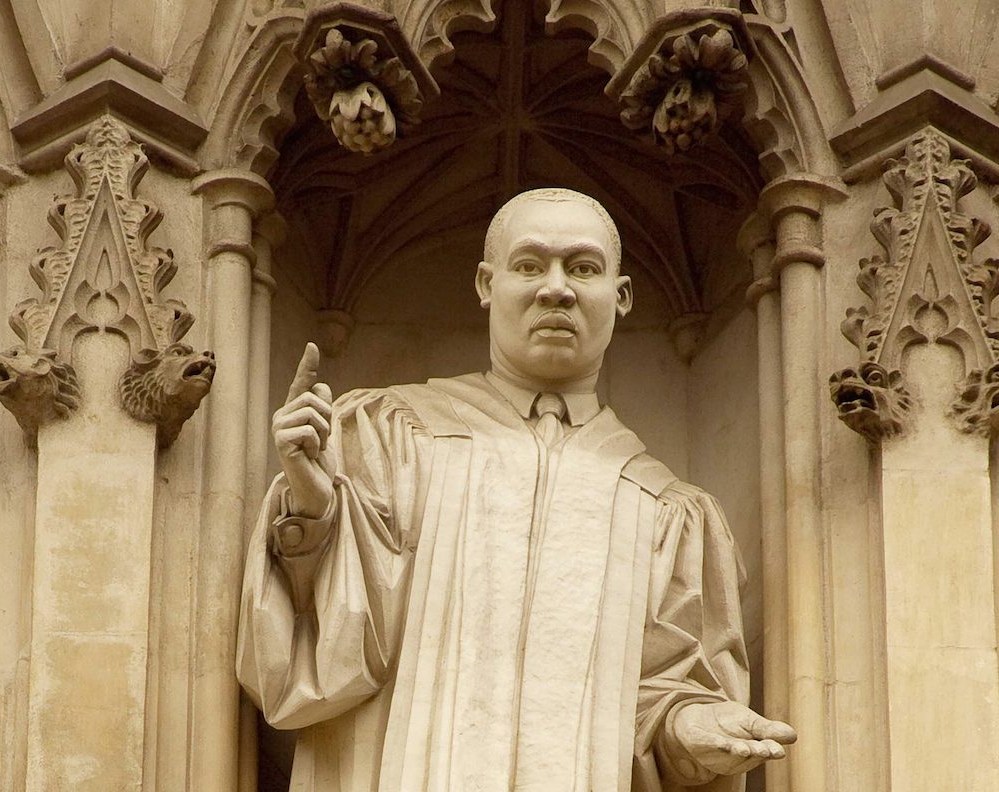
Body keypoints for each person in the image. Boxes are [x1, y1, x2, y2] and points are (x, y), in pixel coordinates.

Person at [237, 188, 795, 792]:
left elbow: (663, 695)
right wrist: (314, 514)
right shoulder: (387, 437)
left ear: (622, 295)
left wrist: (692, 727)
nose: (556, 288)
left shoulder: (664, 508)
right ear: (486, 283)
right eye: (530, 265)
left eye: (583, 268)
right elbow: (310, 664)